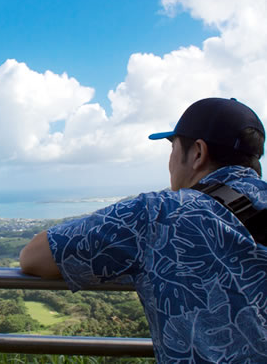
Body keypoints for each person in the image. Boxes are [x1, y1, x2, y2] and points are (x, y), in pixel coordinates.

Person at [20, 97, 267, 363]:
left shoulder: (160, 213)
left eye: (172, 148)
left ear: (197, 152)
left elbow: (35, 257)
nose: (170, 162)